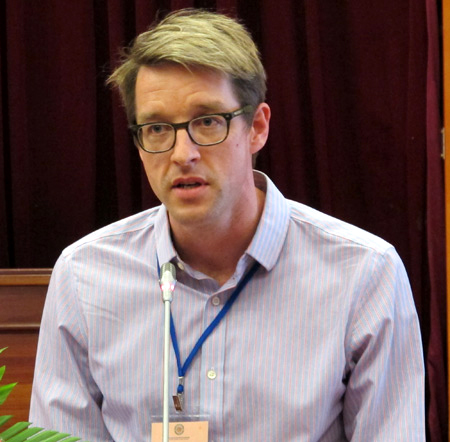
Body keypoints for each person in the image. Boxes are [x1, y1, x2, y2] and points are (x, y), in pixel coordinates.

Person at [29, 8, 425, 441]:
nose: (182, 154)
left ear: (257, 128)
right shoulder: (84, 276)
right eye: (157, 128)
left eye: (207, 122)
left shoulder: (364, 274)